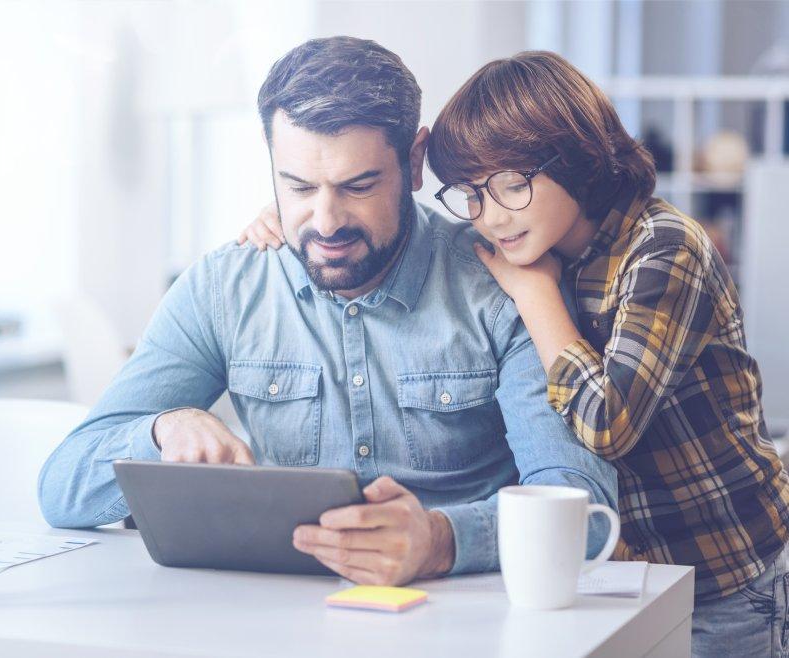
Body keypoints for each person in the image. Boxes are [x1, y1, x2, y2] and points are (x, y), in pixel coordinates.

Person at [242, 50, 789, 655]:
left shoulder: (664, 248)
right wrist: (302, 216)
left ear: (579, 161)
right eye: (473, 193)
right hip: (625, 574)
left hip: (728, 568)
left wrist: (535, 296)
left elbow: (607, 426)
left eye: (512, 185)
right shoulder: (530, 244)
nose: (492, 215)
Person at [39, 37, 616, 587]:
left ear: (414, 163)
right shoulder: (225, 288)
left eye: (358, 185)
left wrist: (442, 540)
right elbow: (62, 487)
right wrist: (162, 431)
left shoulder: (505, 284)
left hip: (464, 616)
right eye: (297, 187)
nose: (326, 221)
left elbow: (584, 510)